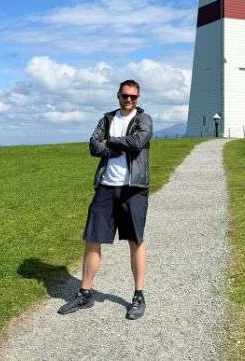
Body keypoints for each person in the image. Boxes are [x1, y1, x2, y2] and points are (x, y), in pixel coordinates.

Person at [58, 79, 153, 320]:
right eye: (124, 96)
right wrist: (114, 147)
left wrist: (109, 142)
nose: (128, 100)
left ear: (138, 98)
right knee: (93, 239)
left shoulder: (144, 119)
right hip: (106, 187)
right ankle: (85, 293)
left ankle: (138, 296)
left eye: (133, 97)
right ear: (118, 95)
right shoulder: (107, 119)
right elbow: (93, 146)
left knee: (135, 240)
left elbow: (138, 142)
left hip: (133, 188)